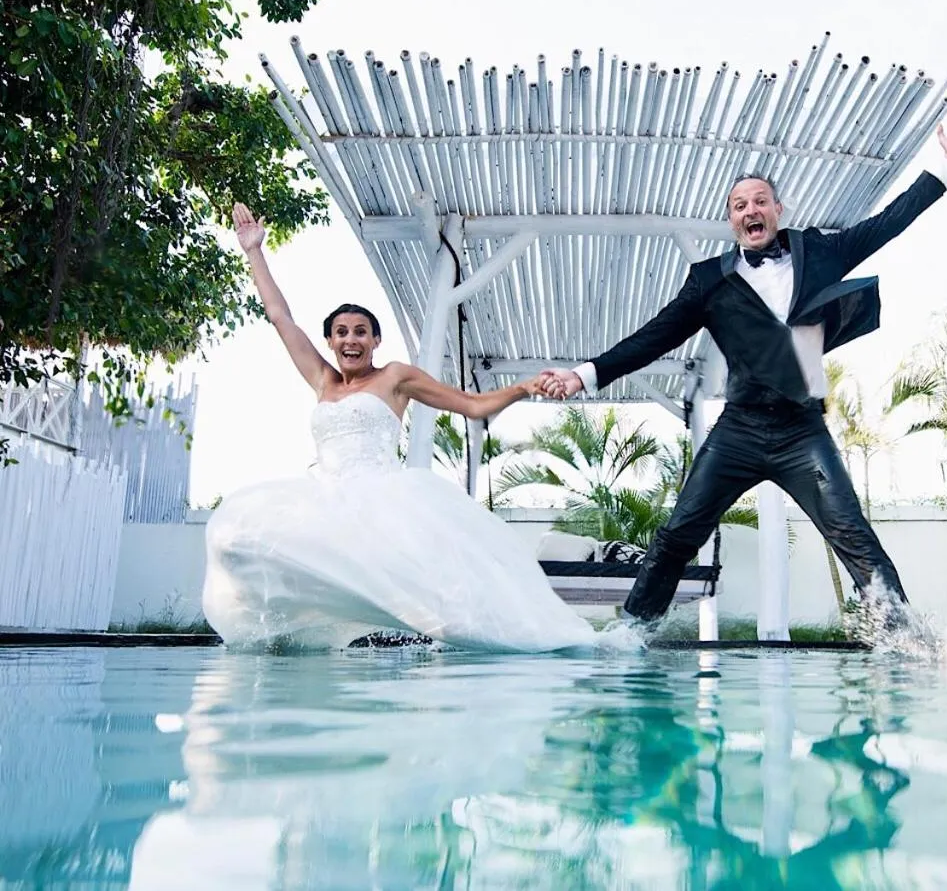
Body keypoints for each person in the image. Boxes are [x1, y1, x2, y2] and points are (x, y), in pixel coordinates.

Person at [540, 112, 947, 627]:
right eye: (738, 205)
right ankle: (633, 635)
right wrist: (585, 373)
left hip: (803, 428)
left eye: (758, 201)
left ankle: (904, 636)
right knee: (679, 532)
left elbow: (886, 224)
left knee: (851, 532)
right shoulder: (709, 280)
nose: (750, 210)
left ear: (777, 209)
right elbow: (655, 334)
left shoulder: (821, 250)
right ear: (732, 220)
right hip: (740, 429)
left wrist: (944, 168)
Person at [201, 203, 631, 652]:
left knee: (450, 614)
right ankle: (296, 640)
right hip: (326, 503)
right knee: (236, 538)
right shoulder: (322, 379)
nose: (351, 339)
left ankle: (531, 641)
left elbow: (472, 406)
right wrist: (254, 252)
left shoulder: (395, 377)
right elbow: (280, 318)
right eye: (342, 332)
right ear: (329, 341)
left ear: (375, 340)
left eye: (362, 331)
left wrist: (524, 387)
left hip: (382, 504)